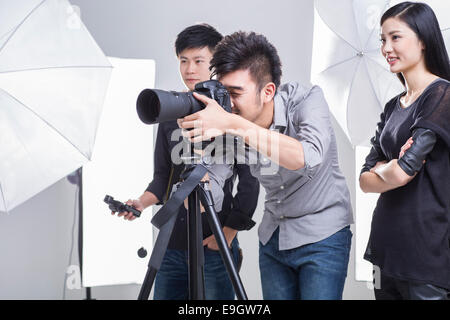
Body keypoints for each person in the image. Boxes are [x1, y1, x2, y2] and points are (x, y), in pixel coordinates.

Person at [179, 31, 354, 300]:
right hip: (273, 236)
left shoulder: (306, 100)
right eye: (223, 93)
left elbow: (308, 158)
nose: (228, 103)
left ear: (268, 91)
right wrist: (195, 173)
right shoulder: (231, 122)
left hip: (324, 235)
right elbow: (209, 191)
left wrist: (233, 124)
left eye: (236, 93)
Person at [112, 24, 259, 300]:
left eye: (198, 61)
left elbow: (250, 182)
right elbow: (163, 177)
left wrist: (227, 233)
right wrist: (141, 203)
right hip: (170, 245)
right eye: (183, 60)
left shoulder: (232, 113)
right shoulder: (171, 111)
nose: (189, 69)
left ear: (214, 63)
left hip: (214, 244)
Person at [359, 2, 450, 300]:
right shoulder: (392, 106)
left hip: (426, 256)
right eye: (383, 40)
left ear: (423, 40)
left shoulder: (441, 95)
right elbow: (363, 180)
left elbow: (403, 173)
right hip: (385, 251)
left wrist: (386, 168)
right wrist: (389, 167)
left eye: (395, 37)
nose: (386, 47)